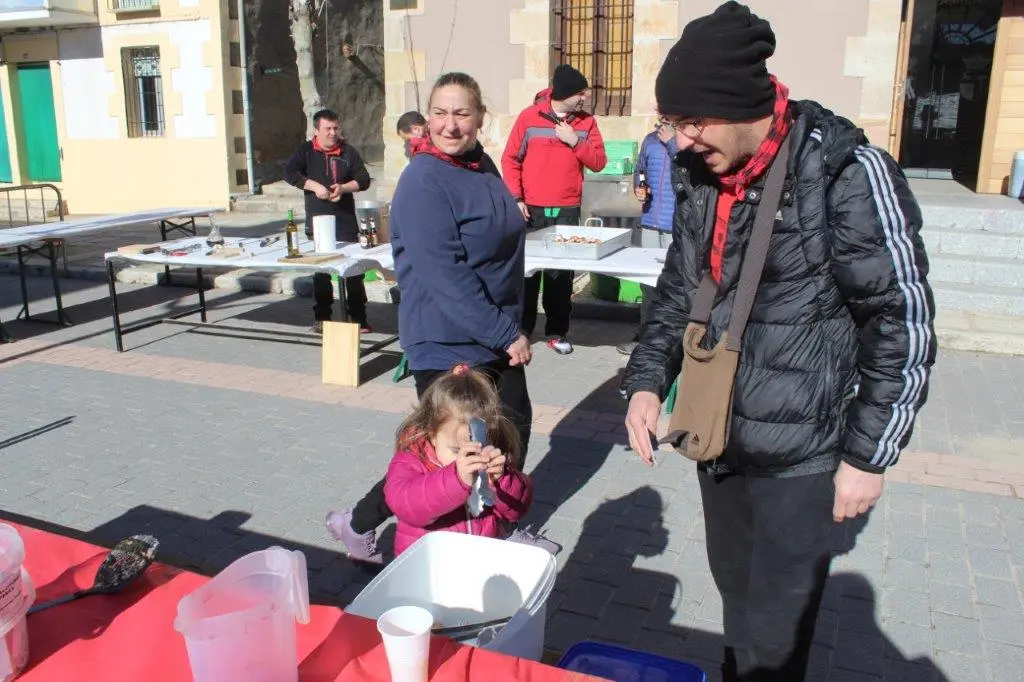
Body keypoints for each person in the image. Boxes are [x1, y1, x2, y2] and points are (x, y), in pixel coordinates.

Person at [621, 3, 936, 681]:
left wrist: (868, 457)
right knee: (739, 617)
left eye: (689, 122)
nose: (677, 141)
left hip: (802, 461)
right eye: (669, 124)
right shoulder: (701, 174)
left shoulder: (846, 173)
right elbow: (678, 288)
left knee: (776, 644)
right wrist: (647, 380)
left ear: (740, 105)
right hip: (718, 443)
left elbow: (900, 318)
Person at [325, 71, 559, 563]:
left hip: (494, 333)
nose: (450, 125)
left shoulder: (480, 165)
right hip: (449, 337)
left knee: (510, 430)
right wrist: (506, 332)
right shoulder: (423, 181)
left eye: (461, 113)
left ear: (480, 118)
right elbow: (443, 276)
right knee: (441, 453)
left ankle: (502, 520)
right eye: (439, 113)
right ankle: (357, 524)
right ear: (426, 117)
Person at [501, 64, 607, 356]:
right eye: (581, 93)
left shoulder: (586, 123)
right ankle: (521, 329)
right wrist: (516, 198)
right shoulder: (529, 117)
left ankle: (556, 331)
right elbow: (511, 159)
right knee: (526, 271)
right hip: (530, 208)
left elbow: (599, 161)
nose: (585, 97)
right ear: (565, 94)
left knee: (560, 275)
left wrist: (574, 141)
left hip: (567, 208)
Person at [385, 364, 534, 556]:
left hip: (477, 561)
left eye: (477, 449)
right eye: (457, 450)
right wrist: (455, 479)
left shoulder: (492, 458)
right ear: (432, 434)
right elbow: (407, 506)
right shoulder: (411, 460)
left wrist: (503, 480)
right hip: (429, 566)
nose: (469, 460)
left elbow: (517, 509)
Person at [284, 109, 372, 333]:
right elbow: (290, 173)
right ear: (316, 130)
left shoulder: (347, 151)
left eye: (335, 128)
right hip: (318, 222)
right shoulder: (305, 151)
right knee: (322, 274)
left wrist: (343, 187)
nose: (333, 133)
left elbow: (363, 179)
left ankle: (358, 318)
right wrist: (314, 187)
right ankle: (322, 318)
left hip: (345, 222)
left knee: (353, 272)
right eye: (328, 129)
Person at [617, 122, 679, 356]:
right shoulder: (650, 140)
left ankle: (672, 340)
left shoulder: (689, 140)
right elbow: (640, 170)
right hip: (651, 221)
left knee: (674, 284)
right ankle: (645, 337)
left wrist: (672, 142)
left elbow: (690, 171)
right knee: (649, 285)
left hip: (676, 225)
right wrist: (638, 188)